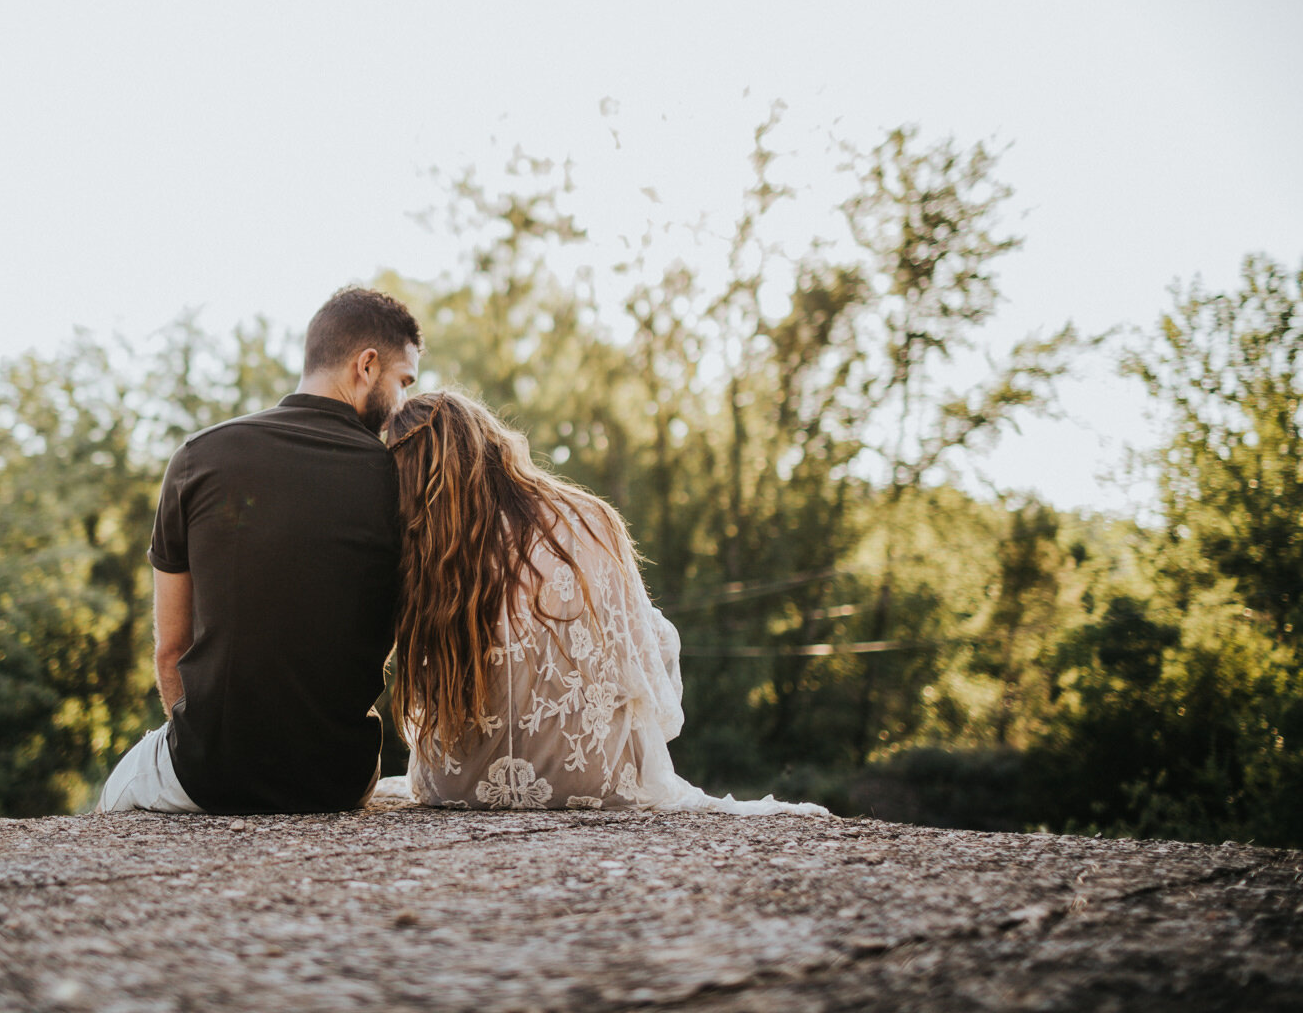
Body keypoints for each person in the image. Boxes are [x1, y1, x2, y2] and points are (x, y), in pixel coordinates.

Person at [379, 390, 829, 816]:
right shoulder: (587, 520)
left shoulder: (420, 552)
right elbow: (648, 665)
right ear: (489, 443)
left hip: (458, 783)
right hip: (592, 777)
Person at [99, 287, 422, 814]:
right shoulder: (401, 481)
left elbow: (170, 648)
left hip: (210, 774)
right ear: (366, 365)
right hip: (341, 779)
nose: (403, 404)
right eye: (402, 381)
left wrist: (217, 754)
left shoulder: (198, 457)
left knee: (116, 793)